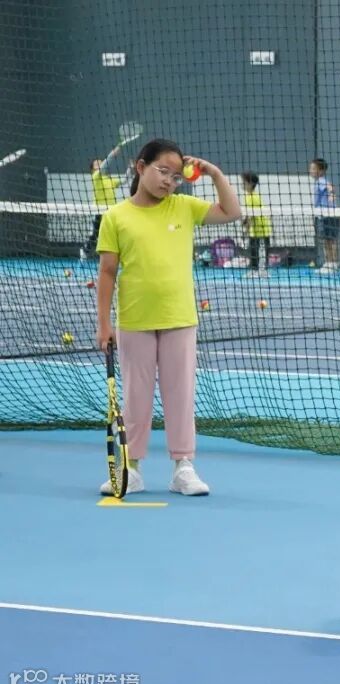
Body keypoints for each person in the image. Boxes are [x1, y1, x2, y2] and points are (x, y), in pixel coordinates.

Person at [95, 139, 241, 496]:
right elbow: (108, 273)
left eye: (176, 177)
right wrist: (104, 324)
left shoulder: (184, 207)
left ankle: (183, 468)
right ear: (140, 167)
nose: (169, 181)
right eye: (163, 171)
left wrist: (214, 173)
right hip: (134, 321)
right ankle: (131, 468)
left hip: (179, 318)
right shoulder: (116, 217)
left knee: (180, 395)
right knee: (136, 398)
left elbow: (232, 211)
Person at [82, 145, 130, 260]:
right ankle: (84, 251)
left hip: (112, 212)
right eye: (97, 164)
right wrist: (112, 154)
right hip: (100, 212)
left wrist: (130, 168)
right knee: (95, 235)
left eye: (100, 162)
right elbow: (104, 166)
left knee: (116, 234)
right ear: (93, 169)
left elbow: (124, 180)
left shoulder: (109, 180)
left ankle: (118, 255)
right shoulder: (96, 177)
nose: (100, 164)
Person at [310, 158, 340, 274]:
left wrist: (332, 194)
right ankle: (329, 263)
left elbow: (330, 187)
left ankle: (332, 264)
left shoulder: (321, 181)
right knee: (327, 240)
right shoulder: (318, 182)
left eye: (313, 168)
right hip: (324, 215)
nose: (311, 171)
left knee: (330, 240)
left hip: (329, 215)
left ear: (321, 171)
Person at [241, 171, 272, 277]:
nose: (242, 184)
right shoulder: (248, 196)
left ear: (250, 184)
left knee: (261, 251)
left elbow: (250, 216)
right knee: (253, 250)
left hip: (262, 230)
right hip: (254, 229)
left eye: (244, 182)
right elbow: (248, 216)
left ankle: (263, 271)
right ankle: (254, 270)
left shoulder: (253, 197)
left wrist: (245, 229)